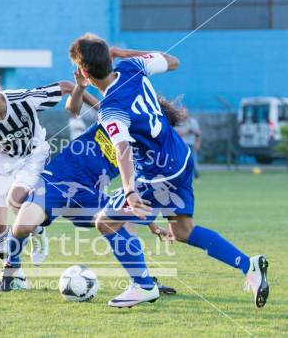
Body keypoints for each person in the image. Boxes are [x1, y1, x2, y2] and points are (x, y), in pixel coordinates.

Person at [68, 33, 268, 308]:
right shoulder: (131, 67)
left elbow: (122, 149)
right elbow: (173, 61)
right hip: (182, 159)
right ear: (109, 57)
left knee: (105, 221)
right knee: (184, 230)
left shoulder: (112, 108)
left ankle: (143, 285)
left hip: (158, 174)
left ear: (84, 72)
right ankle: (249, 265)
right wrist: (123, 53)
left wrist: (129, 190)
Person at [0, 73, 177, 296]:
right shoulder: (115, 116)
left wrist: (153, 226)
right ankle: (10, 270)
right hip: (56, 180)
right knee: (23, 226)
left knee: (121, 221)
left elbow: (134, 194)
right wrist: (80, 87)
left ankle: (144, 282)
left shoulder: (142, 150)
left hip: (89, 195)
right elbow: (73, 108)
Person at [0, 64, 80, 268]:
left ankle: (36, 230)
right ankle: (13, 273)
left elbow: (66, 86)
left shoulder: (23, 99)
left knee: (16, 198)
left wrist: (99, 108)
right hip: (1, 159)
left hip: (32, 155)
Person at [175, 108, 201, 179]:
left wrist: (198, 143)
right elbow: (177, 133)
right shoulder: (176, 123)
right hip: (180, 146)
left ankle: (196, 176)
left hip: (190, 144)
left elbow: (198, 133)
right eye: (181, 112)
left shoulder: (192, 122)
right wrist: (188, 131)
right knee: (180, 162)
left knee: (193, 161)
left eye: (185, 112)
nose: (183, 114)